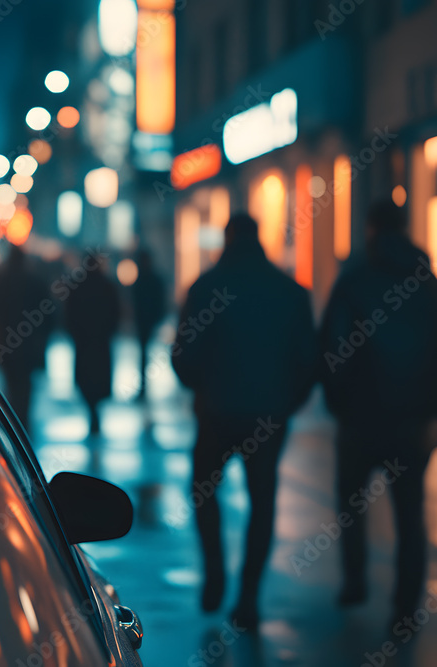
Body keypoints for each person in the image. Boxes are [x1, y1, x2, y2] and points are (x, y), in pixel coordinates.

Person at [172, 213, 316, 629]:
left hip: (216, 412)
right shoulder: (289, 292)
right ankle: (249, 596)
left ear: (227, 239)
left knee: (203, 490)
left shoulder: (205, 289)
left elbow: (185, 354)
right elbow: (309, 360)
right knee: (262, 500)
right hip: (268, 416)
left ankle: (214, 571)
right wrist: (287, 403)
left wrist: (202, 388)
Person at [319, 200, 437, 624]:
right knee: (409, 511)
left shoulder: (355, 279)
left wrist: (337, 398)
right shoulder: (426, 283)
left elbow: (331, 344)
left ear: (370, 227)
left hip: (361, 416)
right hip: (414, 417)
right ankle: (406, 606)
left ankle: (355, 581)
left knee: (352, 502)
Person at [0, 244, 52, 428]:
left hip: (6, 342)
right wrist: (43, 337)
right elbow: (49, 313)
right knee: (25, 386)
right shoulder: (34, 281)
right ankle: (23, 421)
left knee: (10, 382)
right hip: (28, 344)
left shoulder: (0, 281)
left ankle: (14, 423)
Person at [64, 252, 121, 435]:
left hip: (84, 342)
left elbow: (69, 314)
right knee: (98, 378)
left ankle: (92, 408)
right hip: (99, 341)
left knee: (85, 378)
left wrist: (75, 333)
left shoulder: (78, 287)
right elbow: (116, 312)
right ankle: (94, 410)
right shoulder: (106, 285)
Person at [130, 247, 166, 401]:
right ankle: (143, 386)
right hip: (145, 321)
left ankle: (143, 387)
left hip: (145, 321)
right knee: (144, 354)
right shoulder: (150, 280)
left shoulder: (145, 280)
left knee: (144, 354)